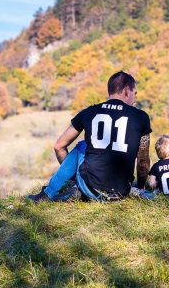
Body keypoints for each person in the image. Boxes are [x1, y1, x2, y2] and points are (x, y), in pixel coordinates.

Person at [28, 71, 151, 202]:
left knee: (83, 145)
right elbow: (143, 163)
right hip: (122, 191)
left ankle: (49, 193)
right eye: (134, 94)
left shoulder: (89, 112)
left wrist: (74, 176)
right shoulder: (141, 117)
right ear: (127, 91)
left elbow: (59, 146)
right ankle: (78, 188)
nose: (135, 98)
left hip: (90, 187)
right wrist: (141, 185)